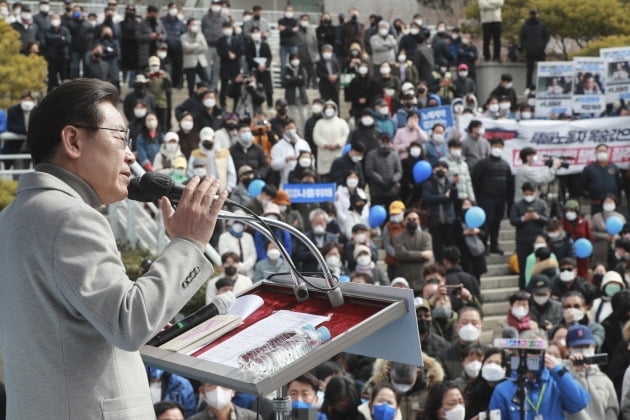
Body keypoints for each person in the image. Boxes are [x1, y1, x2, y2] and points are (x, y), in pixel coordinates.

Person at [0, 79, 229, 418]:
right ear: (73, 141)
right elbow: (129, 322)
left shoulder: (10, 219)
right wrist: (188, 244)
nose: (131, 155)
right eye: (121, 137)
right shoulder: (71, 217)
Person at [488, 344, 589, 419]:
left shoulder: (555, 381)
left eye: (542, 352)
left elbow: (579, 404)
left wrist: (558, 371)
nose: (539, 356)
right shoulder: (503, 390)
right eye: (533, 351)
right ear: (518, 354)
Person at [565, 324, 619, 419]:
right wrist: (573, 372)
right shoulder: (562, 378)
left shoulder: (604, 379)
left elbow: (612, 409)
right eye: (577, 347)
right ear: (568, 349)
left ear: (593, 347)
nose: (583, 350)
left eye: (587, 346)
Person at [472, 137, 513, 256]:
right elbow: (475, 181)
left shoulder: (505, 164)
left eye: (500, 146)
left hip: (500, 198)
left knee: (497, 222)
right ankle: (484, 245)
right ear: (491, 147)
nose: (497, 149)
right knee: (486, 223)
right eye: (495, 146)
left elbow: (509, 183)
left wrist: (508, 201)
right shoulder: (483, 163)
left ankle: (495, 244)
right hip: (486, 198)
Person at [510, 182, 550, 290]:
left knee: (541, 267)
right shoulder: (517, 205)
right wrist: (523, 218)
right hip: (523, 241)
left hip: (539, 241)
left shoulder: (542, 204)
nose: (529, 196)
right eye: (527, 194)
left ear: (535, 192)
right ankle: (523, 289)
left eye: (531, 193)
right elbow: (513, 220)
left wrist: (538, 217)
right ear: (523, 193)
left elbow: (547, 219)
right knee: (523, 268)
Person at [393, 209, 434, 292]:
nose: (412, 221)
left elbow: (428, 256)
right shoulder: (397, 237)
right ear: (404, 221)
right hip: (404, 280)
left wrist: (408, 255)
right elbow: (401, 254)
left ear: (419, 221)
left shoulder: (426, 236)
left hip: (421, 279)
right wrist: (421, 254)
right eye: (409, 219)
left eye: (414, 219)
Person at [465, 348, 509, 419]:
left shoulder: (510, 392)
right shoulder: (473, 390)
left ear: (505, 368)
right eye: (489, 362)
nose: (492, 366)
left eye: (497, 363)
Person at [188, 382, 260, 420]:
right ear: (203, 392)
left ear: (233, 391)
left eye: (224, 385)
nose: (218, 390)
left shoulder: (252, 417)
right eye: (211, 385)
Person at [591, 194, 626, 266]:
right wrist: (604, 236)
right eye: (606, 202)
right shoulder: (596, 217)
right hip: (600, 248)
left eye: (610, 202)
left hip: (616, 248)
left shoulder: (620, 217)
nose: (608, 204)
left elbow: (625, 233)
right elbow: (590, 232)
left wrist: (617, 237)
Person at [520, 9, 550, 90]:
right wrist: (526, 47)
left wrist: (542, 46)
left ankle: (543, 86)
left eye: (535, 14)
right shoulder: (525, 26)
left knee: (542, 70)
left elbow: (546, 37)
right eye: (532, 14)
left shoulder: (542, 25)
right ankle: (528, 87)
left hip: (540, 51)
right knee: (529, 70)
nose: (534, 16)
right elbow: (522, 38)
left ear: (538, 15)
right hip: (530, 52)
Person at [562, 200, 592, 279]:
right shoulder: (562, 223)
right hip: (567, 252)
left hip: (582, 252)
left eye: (571, 210)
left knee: (583, 273)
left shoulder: (584, 222)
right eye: (567, 211)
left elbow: (589, 236)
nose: (569, 213)